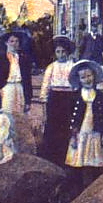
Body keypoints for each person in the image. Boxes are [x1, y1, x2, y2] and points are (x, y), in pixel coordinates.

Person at [65, 60, 103, 190]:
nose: (87, 79)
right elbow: (70, 118)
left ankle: (90, 187)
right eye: (83, 77)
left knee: (92, 161)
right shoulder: (75, 96)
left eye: (89, 76)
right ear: (78, 80)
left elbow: (102, 117)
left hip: (94, 132)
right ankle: (75, 188)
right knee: (78, 160)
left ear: (94, 76)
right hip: (80, 133)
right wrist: (73, 136)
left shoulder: (100, 97)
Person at [38, 35, 76, 166]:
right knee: (52, 127)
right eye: (58, 52)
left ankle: (65, 157)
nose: (61, 54)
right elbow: (45, 86)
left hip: (68, 99)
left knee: (66, 127)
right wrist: (44, 105)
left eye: (63, 51)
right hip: (54, 99)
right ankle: (50, 158)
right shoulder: (51, 67)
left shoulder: (72, 66)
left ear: (68, 52)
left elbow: (76, 84)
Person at [0, 32, 33, 116]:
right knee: (6, 113)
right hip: (7, 87)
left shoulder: (23, 58)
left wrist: (28, 99)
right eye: (11, 41)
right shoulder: (1, 58)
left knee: (19, 114)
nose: (14, 44)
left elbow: (28, 79)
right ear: (6, 43)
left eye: (16, 41)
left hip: (20, 87)